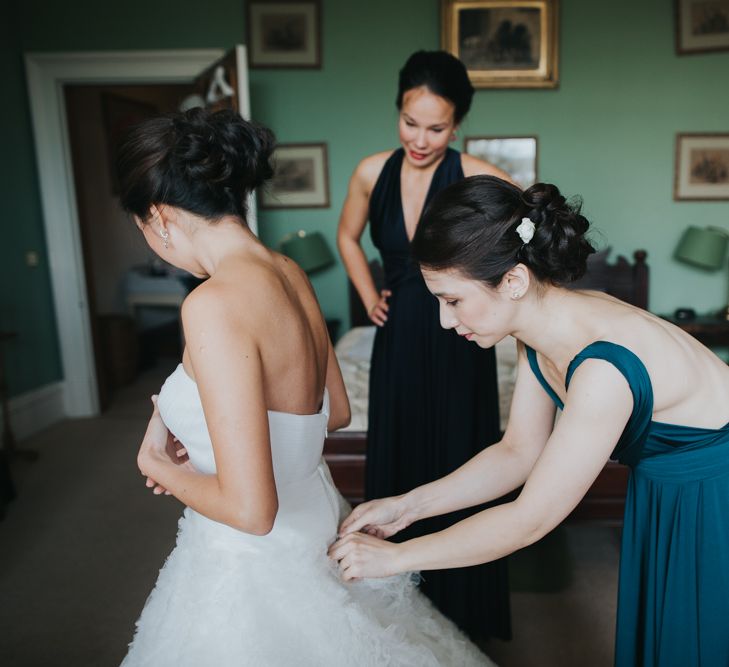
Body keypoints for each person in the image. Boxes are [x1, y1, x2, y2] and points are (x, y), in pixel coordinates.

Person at [118, 108, 496, 666]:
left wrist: (162, 467)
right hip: (313, 518)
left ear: (160, 217)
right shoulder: (289, 271)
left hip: (252, 559)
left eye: (144, 230)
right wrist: (202, 442)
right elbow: (335, 412)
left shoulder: (212, 304)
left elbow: (251, 510)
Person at [330, 175, 729, 666]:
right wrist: (406, 508)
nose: (444, 321)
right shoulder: (537, 332)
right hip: (670, 487)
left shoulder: (602, 368)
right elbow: (517, 451)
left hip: (716, 492)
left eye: (452, 300)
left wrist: (398, 558)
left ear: (513, 281)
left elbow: (529, 520)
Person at [337, 49, 513, 641]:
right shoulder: (370, 171)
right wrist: (368, 294)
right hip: (398, 333)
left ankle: (465, 611)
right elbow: (346, 235)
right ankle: (398, 610)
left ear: (457, 124)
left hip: (460, 336)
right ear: (399, 112)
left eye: (436, 128)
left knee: (459, 452)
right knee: (402, 451)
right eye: (411, 122)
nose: (420, 138)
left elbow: (530, 228)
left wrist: (496, 300)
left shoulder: (474, 172)